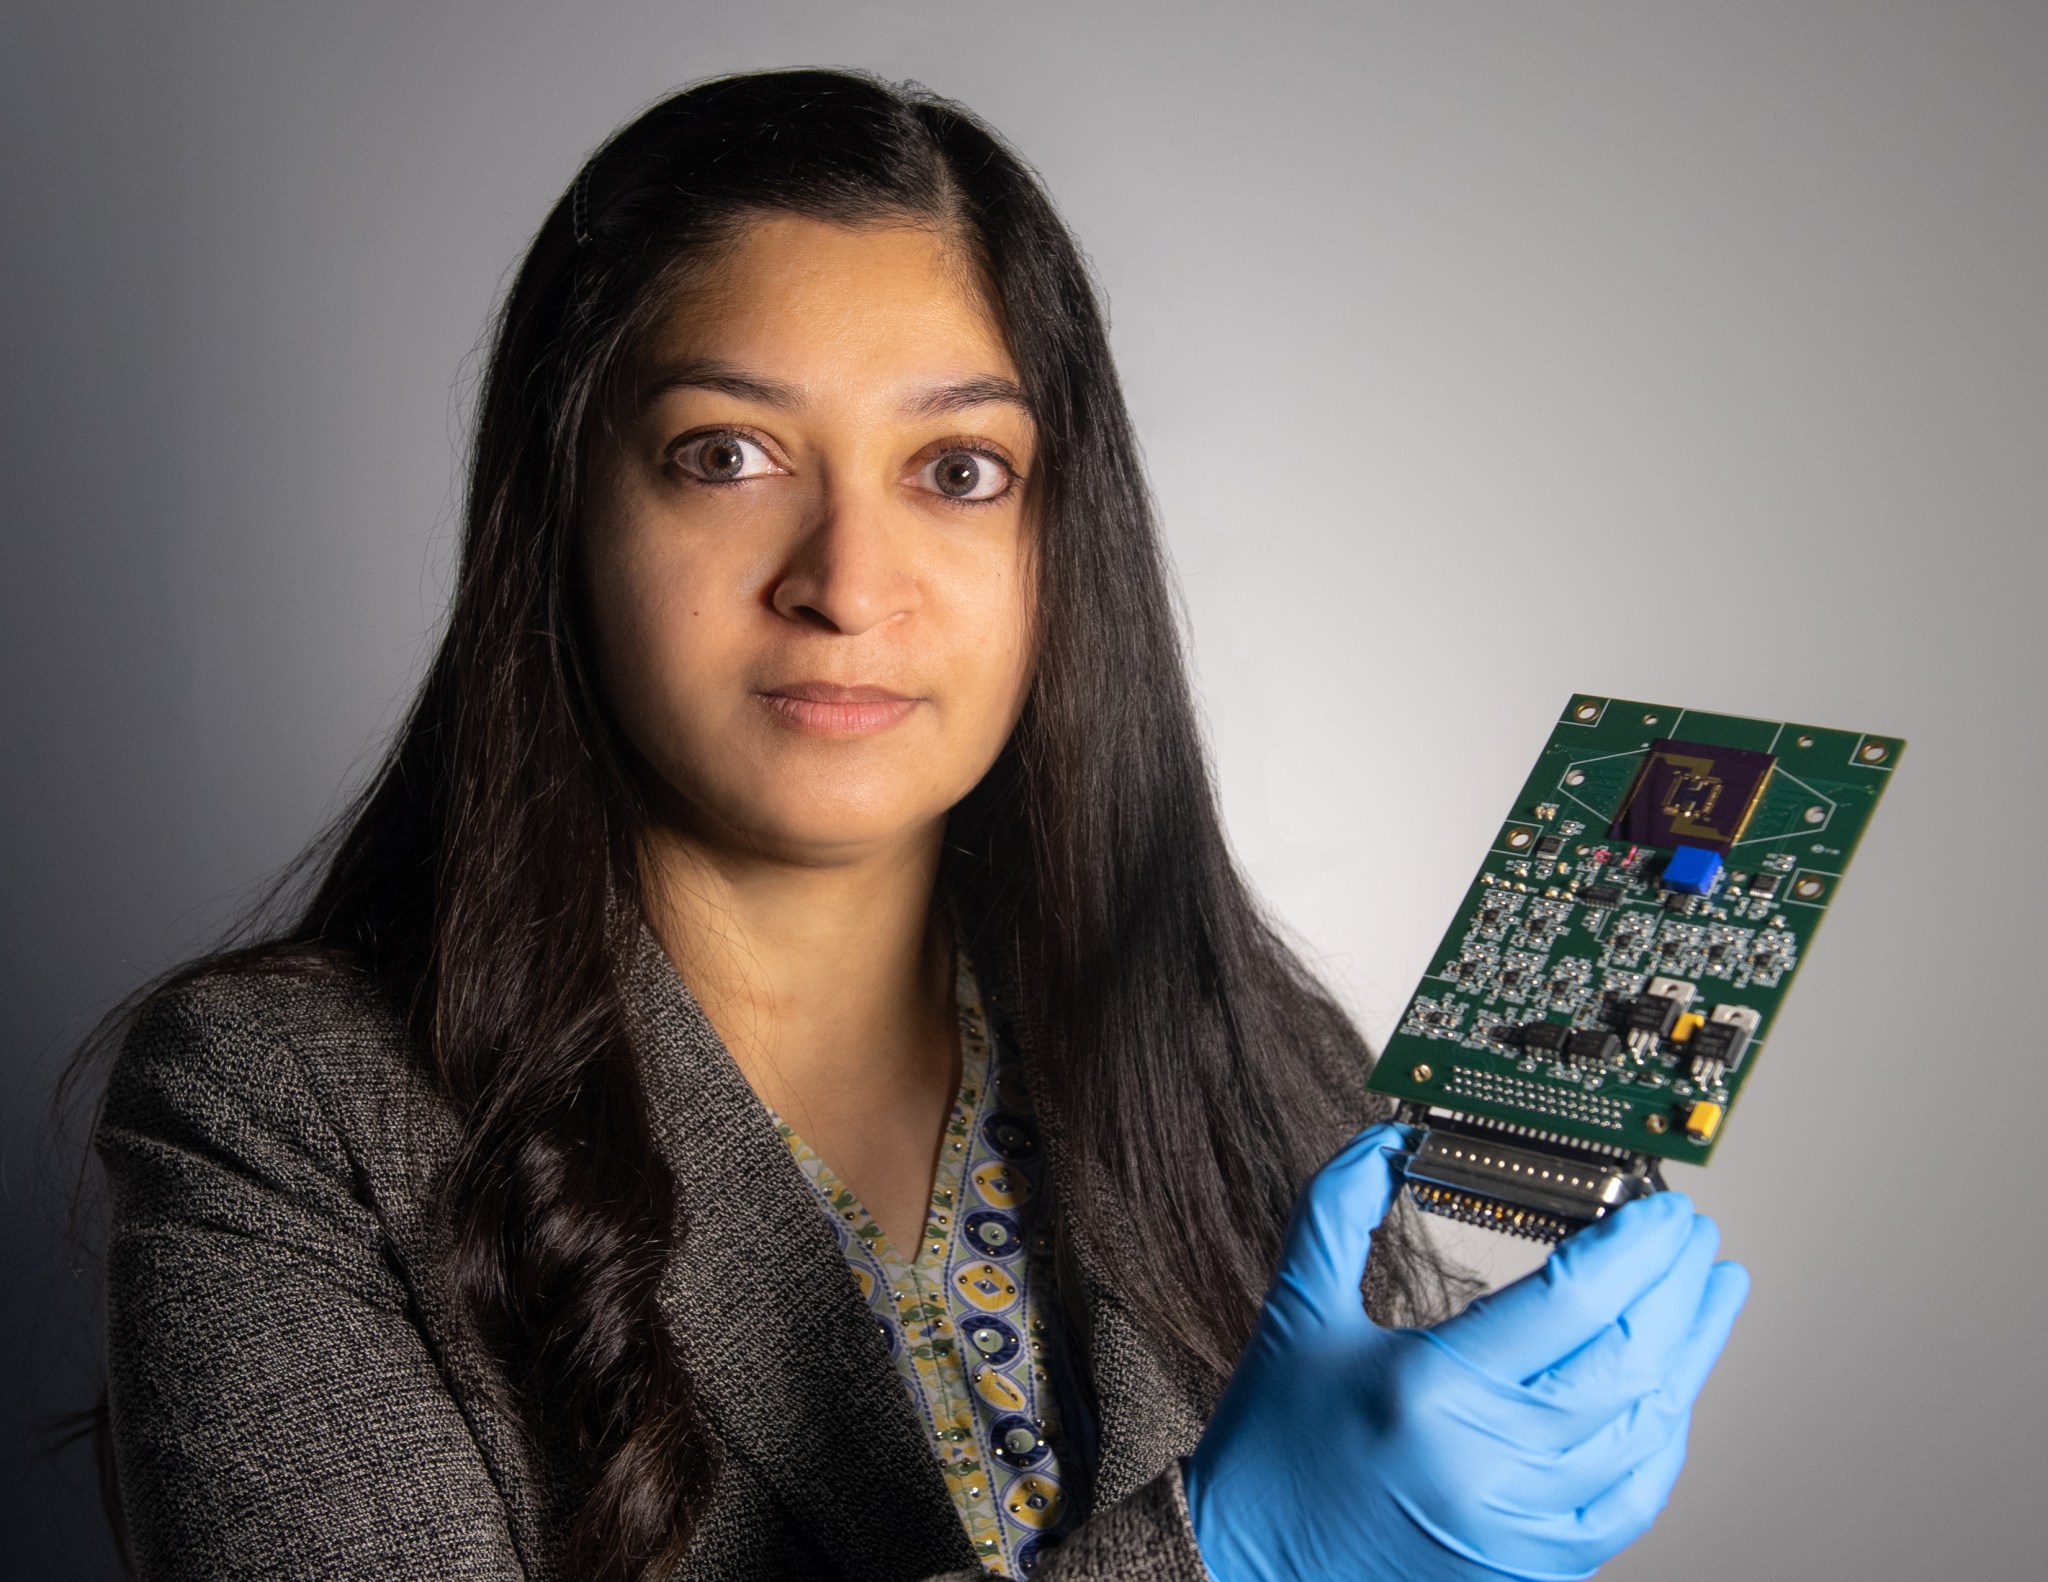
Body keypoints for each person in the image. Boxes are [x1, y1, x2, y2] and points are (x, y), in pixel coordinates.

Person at [91, 69, 1747, 1582]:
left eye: (958, 471)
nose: (848, 585)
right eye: (726, 452)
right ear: (562, 515)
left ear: (1058, 542)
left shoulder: (1260, 1071)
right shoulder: (283, 1115)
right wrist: (1226, 1556)